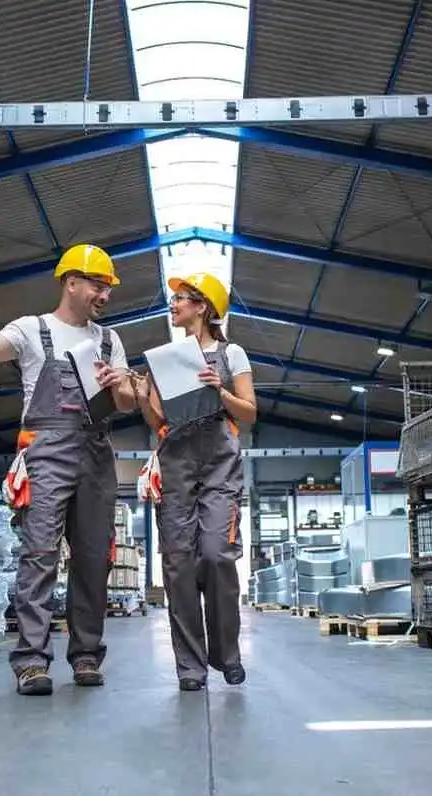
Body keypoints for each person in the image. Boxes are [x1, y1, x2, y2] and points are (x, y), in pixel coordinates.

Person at [0, 244, 135, 696]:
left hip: (97, 453)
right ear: (71, 282)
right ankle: (31, 661)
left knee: (92, 559)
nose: (105, 295)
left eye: (107, 287)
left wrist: (118, 384)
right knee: (39, 556)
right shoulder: (32, 329)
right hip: (46, 450)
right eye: (98, 285)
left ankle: (85, 655)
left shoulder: (110, 340)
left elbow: (125, 405)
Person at [133, 272, 257, 691]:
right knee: (178, 566)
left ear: (202, 306)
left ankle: (227, 654)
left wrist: (219, 389)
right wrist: (140, 394)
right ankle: (190, 667)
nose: (173, 305)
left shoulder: (231, 353)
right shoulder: (162, 359)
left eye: (180, 299)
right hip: (176, 461)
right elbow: (155, 421)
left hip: (220, 462)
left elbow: (249, 413)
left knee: (218, 555)